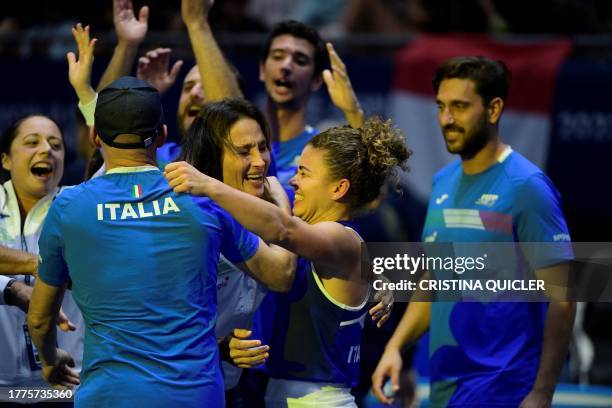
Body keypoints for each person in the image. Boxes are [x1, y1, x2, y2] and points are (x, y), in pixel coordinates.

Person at [27, 76, 297, 407]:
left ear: (96, 137)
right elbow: (281, 274)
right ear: (163, 136)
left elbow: (39, 319)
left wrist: (51, 358)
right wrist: (284, 209)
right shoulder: (202, 200)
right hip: (196, 396)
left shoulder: (68, 208)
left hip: (109, 396)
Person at [371, 56, 576, 407]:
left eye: (460, 107)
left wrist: (542, 392)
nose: (446, 119)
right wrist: (395, 347)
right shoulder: (441, 183)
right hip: (444, 391)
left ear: (494, 109)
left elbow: (564, 297)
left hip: (506, 391)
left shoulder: (527, 186)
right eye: (441, 106)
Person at [165, 117, 411, 406]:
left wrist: (209, 186)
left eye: (304, 173)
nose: (293, 181)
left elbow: (284, 230)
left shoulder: (339, 237)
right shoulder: (323, 246)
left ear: (339, 188)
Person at [181, 0, 364, 191]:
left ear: (317, 80)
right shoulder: (230, 140)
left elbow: (370, 196)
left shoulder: (323, 149)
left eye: (300, 60)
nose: (286, 66)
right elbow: (230, 111)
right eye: (277, 56)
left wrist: (353, 113)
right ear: (262, 69)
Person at [0, 114, 84, 405]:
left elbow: (111, 147)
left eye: (56, 145)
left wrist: (86, 94)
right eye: (31, 142)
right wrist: (12, 288)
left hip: (67, 388)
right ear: (6, 160)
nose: (46, 150)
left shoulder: (80, 205)